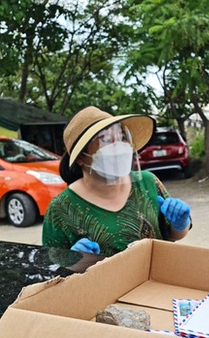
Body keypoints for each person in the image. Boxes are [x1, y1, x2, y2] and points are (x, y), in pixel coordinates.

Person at [43, 106, 191, 256]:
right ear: (81, 158)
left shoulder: (148, 183)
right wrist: (71, 261)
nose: (118, 146)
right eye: (106, 140)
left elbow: (173, 234)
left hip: (156, 277)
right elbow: (50, 265)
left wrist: (180, 223)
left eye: (122, 137)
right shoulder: (61, 208)